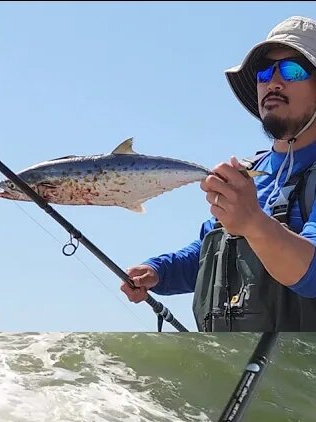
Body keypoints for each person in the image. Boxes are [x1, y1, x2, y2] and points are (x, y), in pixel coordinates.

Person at [121, 16, 316, 331]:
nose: (274, 82)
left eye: (293, 70)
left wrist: (252, 221)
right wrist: (158, 272)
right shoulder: (249, 172)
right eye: (265, 72)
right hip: (233, 371)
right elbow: (211, 251)